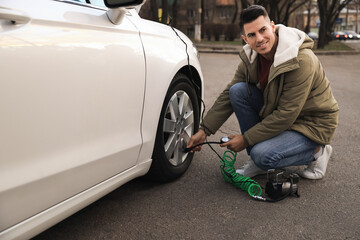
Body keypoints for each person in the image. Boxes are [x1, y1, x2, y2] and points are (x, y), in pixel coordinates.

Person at [187, 5, 339, 179]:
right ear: (245, 38)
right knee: (238, 91)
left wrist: (245, 139)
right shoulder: (251, 57)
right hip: (282, 114)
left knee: (263, 156)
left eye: (263, 30)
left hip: (311, 124)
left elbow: (286, 114)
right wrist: (204, 130)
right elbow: (228, 94)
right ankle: (259, 161)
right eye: (252, 35)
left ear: (272, 26)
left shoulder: (301, 59)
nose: (259, 39)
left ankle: (317, 151)